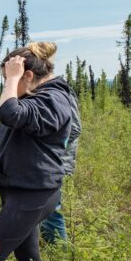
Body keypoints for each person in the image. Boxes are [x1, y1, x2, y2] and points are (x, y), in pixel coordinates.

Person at [0, 42, 74, 261]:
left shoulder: (53, 98)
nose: (7, 87)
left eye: (10, 79)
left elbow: (10, 113)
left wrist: (11, 80)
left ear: (28, 76)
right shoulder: (38, 97)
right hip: (21, 191)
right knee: (28, 256)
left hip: (33, 194)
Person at [41, 87, 81, 243]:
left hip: (58, 164)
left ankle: (60, 256)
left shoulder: (60, 93)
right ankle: (48, 247)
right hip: (47, 164)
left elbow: (74, 129)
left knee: (52, 211)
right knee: (43, 210)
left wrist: (47, 148)